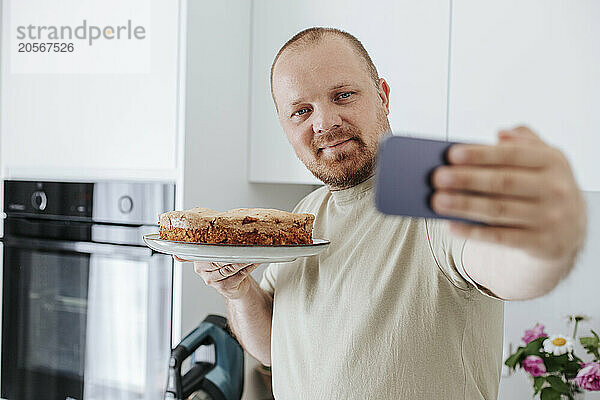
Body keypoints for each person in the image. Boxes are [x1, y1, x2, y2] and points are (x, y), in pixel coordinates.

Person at [178, 27, 587, 399]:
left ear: (382, 96)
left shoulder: (432, 191)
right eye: (301, 111)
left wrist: (549, 231)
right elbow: (271, 346)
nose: (325, 122)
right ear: (285, 125)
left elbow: (513, 266)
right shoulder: (303, 218)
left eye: (342, 95)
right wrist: (238, 291)